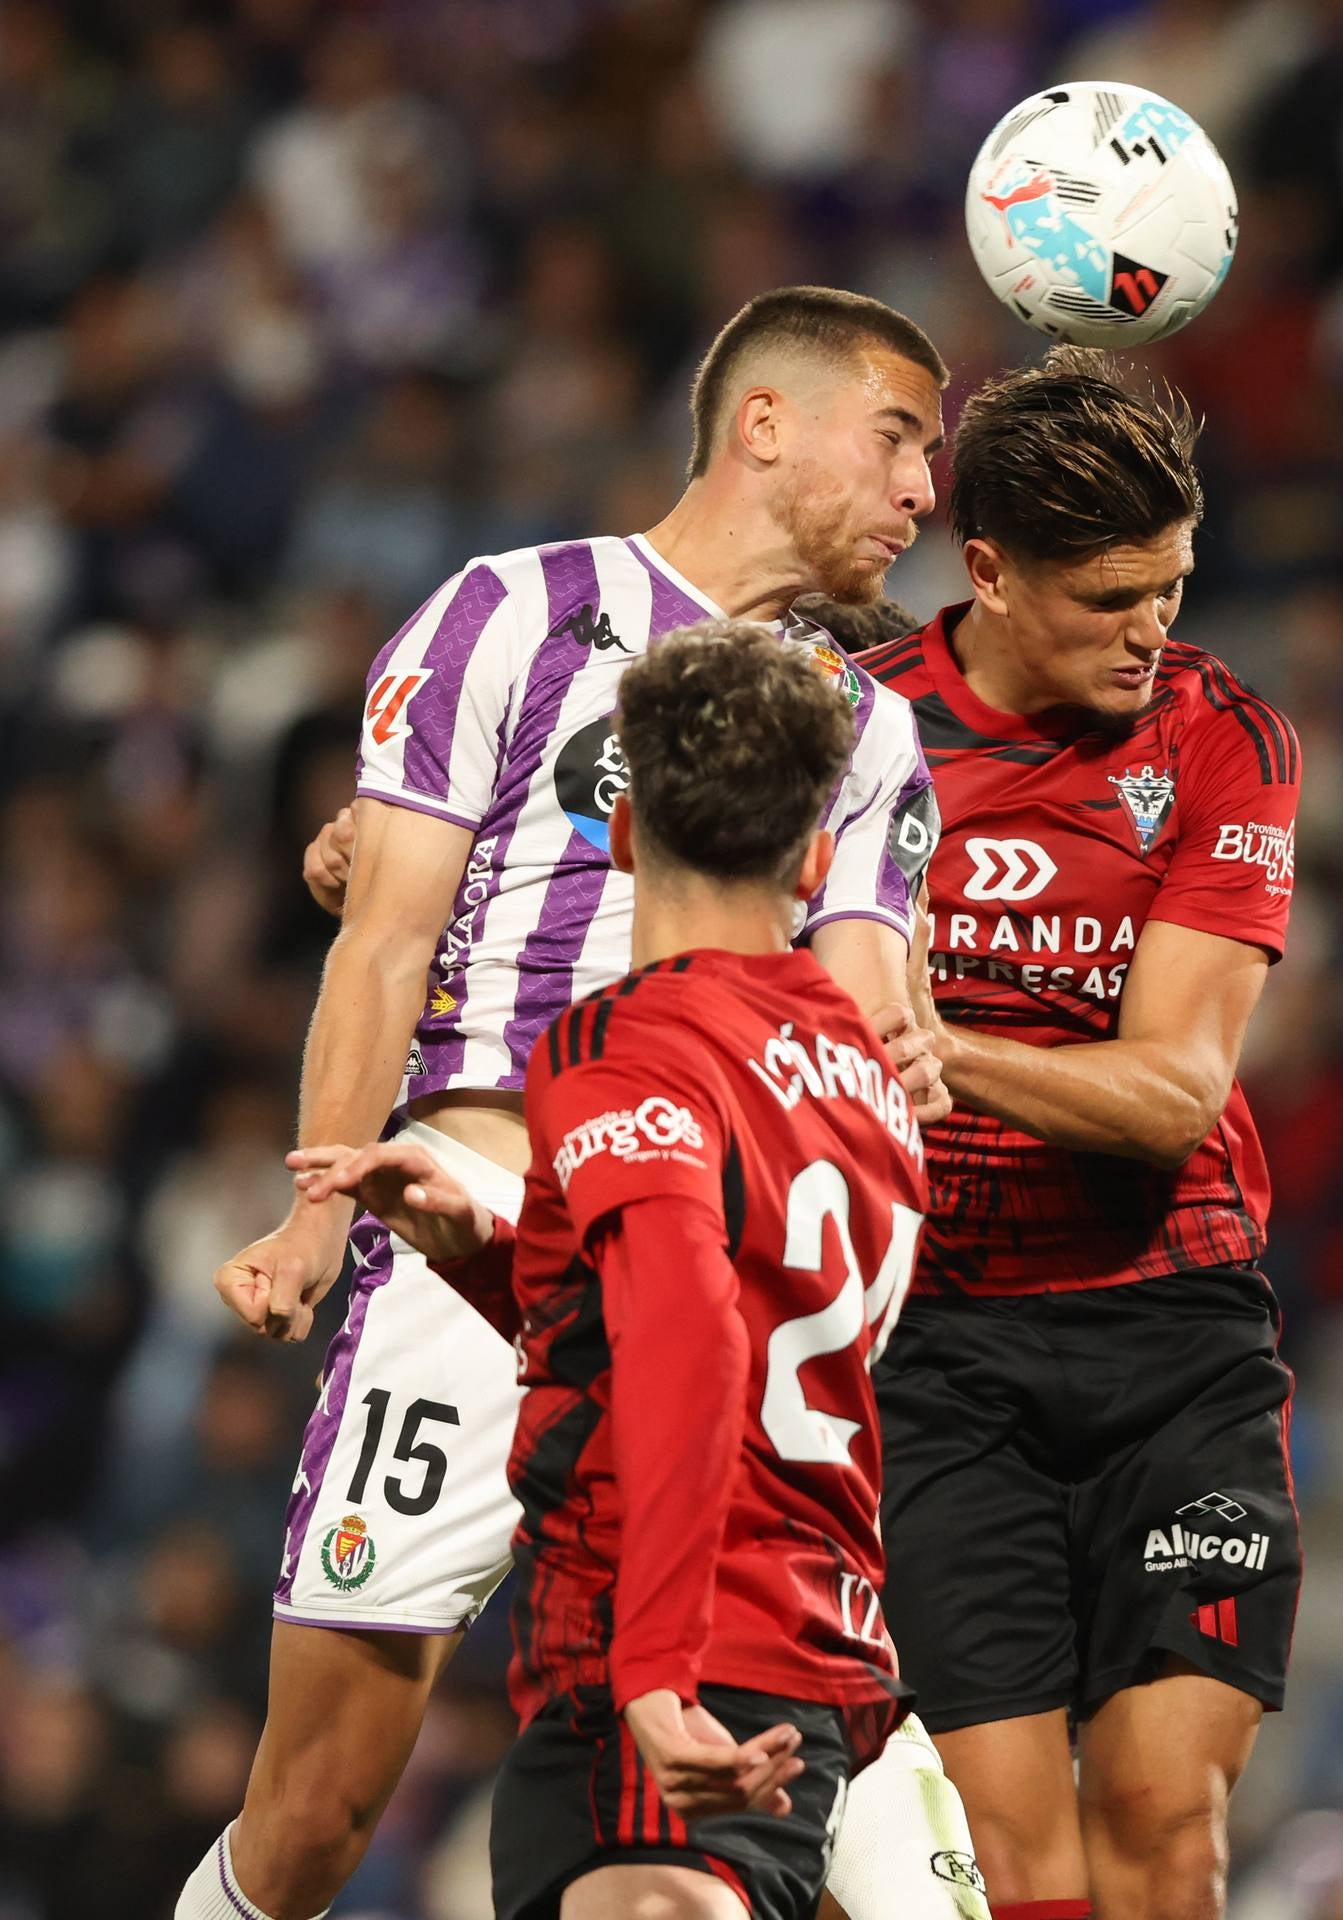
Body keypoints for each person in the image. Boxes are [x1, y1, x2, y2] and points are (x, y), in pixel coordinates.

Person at [180, 287, 978, 1920]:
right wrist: (319, 1211)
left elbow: (864, 1003)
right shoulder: (514, 614)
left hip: (724, 1304)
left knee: (799, 1821)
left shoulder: (874, 732)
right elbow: (388, 930)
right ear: (766, 423)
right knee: (318, 1806)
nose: (922, 493)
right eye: (899, 440)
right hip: (478, 1258)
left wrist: (911, 1050)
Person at [290, 626, 933, 1920]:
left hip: (671, 1649)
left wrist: (651, 1674)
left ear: (623, 829)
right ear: (815, 858)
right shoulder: (868, 1069)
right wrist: (492, 1256)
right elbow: (748, 1307)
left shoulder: (623, 1047)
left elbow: (694, 1337)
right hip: (826, 1640)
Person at [857, 347, 1304, 1920]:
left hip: (1173, 1336)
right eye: (1111, 596)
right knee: (1007, 1864)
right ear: (986, 569)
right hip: (938, 1351)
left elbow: (1174, 1092)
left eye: (1172, 586)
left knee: (1162, 1826)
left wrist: (940, 1048)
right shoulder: (853, 735)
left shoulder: (1221, 741)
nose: (1152, 631)